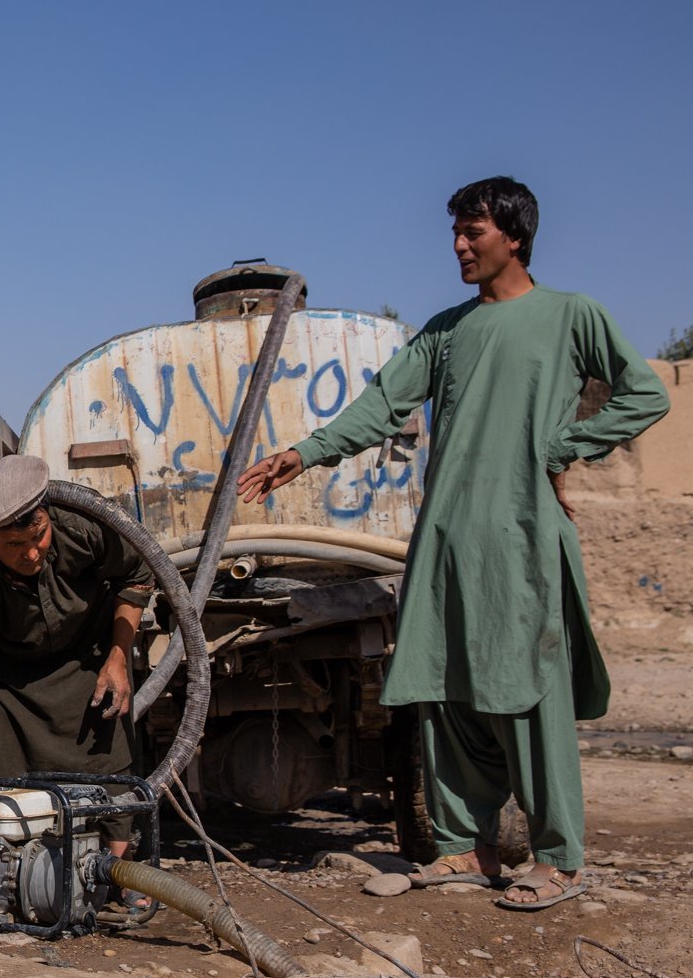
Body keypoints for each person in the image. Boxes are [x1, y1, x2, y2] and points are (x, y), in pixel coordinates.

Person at [236, 176, 670, 911]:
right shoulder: (445, 331)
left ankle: (558, 861)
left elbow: (645, 394)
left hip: (524, 534)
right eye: (456, 235)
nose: (461, 247)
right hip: (445, 535)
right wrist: (303, 454)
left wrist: (565, 444)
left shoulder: (572, 316)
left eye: (474, 233)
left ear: (515, 237)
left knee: (530, 692)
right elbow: (380, 407)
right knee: (442, 689)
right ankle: (462, 850)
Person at [0, 454, 150, 890]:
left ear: (47, 518)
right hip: (9, 679)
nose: (32, 553)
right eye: (14, 546)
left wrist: (118, 657)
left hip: (91, 655)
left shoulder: (83, 527)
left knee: (111, 762)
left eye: (39, 536)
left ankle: (120, 878)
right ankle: (6, 876)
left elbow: (137, 575)